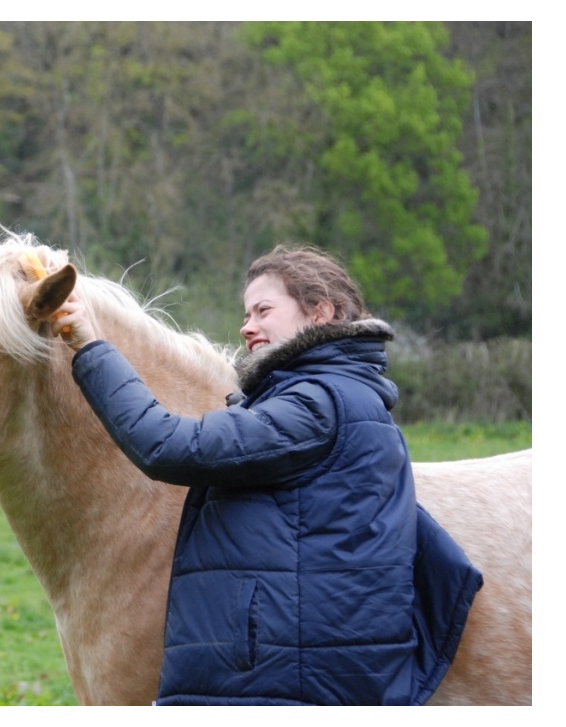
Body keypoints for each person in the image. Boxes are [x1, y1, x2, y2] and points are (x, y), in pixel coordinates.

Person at [49, 244, 482, 706]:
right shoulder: (342, 395)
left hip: (293, 679)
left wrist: (91, 346)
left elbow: (166, 445)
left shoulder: (319, 403)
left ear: (320, 312)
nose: (246, 325)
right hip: (307, 671)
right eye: (246, 312)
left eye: (263, 310)